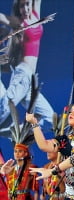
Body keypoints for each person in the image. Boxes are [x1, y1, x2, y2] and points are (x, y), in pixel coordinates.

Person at [0, 0, 54, 137]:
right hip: (22, 74)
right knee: (3, 111)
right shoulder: (18, 23)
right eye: (22, 6)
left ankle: (14, 132)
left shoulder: (36, 15)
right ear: (18, 8)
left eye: (28, 4)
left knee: (50, 120)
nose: (26, 8)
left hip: (31, 80)